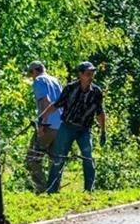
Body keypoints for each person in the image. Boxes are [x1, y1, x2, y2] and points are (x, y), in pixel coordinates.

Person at [40, 61, 107, 193]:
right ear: (80, 74)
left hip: (85, 130)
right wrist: (42, 118)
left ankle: (89, 190)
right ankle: (52, 189)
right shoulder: (70, 89)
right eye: (88, 74)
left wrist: (103, 131)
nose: (91, 76)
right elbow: (56, 105)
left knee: (88, 157)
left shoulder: (96, 92)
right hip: (68, 127)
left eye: (92, 73)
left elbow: (100, 112)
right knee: (59, 157)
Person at [25, 61, 62, 193]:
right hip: (60, 125)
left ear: (34, 71)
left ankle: (41, 188)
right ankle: (54, 189)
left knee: (32, 158)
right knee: (54, 159)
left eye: (31, 74)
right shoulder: (55, 81)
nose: (32, 77)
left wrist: (42, 123)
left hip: (48, 124)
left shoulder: (39, 81)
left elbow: (45, 101)